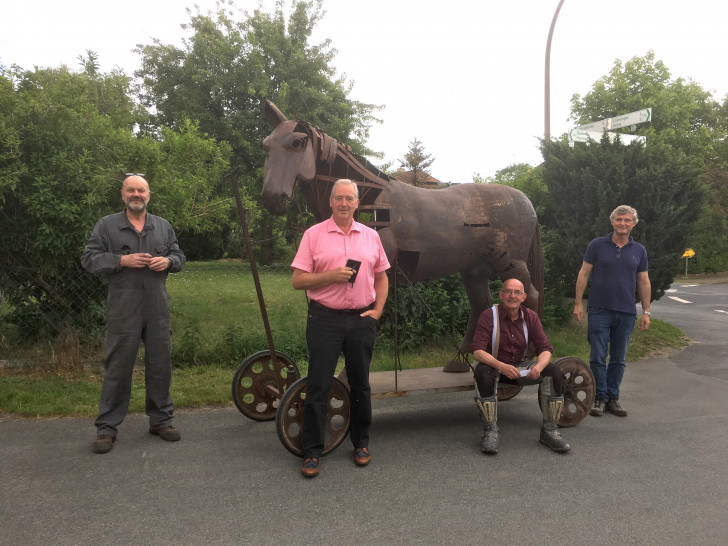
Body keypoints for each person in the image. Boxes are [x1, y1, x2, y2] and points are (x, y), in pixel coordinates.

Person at [291, 179, 390, 477]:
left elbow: (382, 277)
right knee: (319, 384)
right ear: (331, 202)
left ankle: (361, 443)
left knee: (360, 384)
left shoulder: (371, 236)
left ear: (357, 203)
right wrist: (331, 276)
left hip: (361, 320)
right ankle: (311, 451)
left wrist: (378, 310)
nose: (344, 203)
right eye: (339, 198)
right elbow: (297, 281)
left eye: (350, 198)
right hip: (325, 320)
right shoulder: (313, 235)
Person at [82, 173, 186, 454]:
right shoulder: (107, 226)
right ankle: (106, 429)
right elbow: (89, 258)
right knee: (117, 369)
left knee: (160, 366)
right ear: (123, 194)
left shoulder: (162, 227)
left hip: (157, 309)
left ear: (148, 195)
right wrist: (121, 260)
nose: (136, 194)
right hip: (123, 309)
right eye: (131, 190)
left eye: (141, 190)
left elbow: (180, 257)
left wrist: (168, 261)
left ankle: (161, 421)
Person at [470, 278, 570, 454]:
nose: (512, 295)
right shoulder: (489, 315)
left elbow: (545, 349)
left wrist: (538, 367)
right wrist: (501, 366)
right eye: (508, 291)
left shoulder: (530, 316)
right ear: (501, 295)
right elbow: (477, 351)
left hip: (519, 365)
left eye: (517, 292)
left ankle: (549, 430)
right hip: (494, 365)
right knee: (483, 372)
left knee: (553, 371)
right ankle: (490, 431)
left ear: (523, 297)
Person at [574, 205, 651, 418]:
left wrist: (646, 311)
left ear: (633, 223)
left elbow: (643, 281)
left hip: (626, 312)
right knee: (598, 356)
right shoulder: (597, 245)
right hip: (599, 309)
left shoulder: (639, 250)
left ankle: (613, 398)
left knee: (618, 358)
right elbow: (583, 274)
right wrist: (578, 303)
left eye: (627, 220)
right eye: (619, 219)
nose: (623, 223)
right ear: (612, 222)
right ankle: (599, 397)